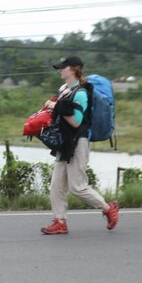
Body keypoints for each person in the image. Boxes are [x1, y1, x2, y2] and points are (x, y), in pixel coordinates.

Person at [40, 56, 119, 235]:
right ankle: (60, 222)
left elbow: (76, 122)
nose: (60, 70)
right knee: (56, 185)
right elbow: (62, 112)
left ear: (73, 69)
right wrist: (56, 106)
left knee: (77, 187)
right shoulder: (65, 90)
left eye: (63, 67)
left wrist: (58, 107)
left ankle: (108, 208)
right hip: (65, 142)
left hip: (78, 142)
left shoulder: (82, 93)